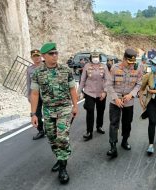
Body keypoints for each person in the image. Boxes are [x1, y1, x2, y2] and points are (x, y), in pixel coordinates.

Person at [30, 42, 78, 184]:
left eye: (56, 53)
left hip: (64, 109)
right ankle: (59, 157)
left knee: (62, 138)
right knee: (52, 138)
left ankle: (63, 167)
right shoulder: (38, 72)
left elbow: (72, 89)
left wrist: (75, 106)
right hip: (48, 110)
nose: (55, 56)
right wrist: (33, 114)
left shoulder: (66, 70)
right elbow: (34, 94)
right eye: (51, 54)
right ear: (44, 56)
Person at [106, 48, 142, 158]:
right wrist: (115, 98)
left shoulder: (138, 68)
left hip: (128, 100)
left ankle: (125, 140)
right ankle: (113, 146)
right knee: (114, 123)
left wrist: (131, 94)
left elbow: (139, 84)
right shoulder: (115, 68)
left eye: (133, 62)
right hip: (115, 100)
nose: (131, 65)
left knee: (127, 123)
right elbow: (109, 84)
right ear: (123, 58)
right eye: (129, 62)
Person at [78, 52, 110, 141]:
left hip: (101, 93)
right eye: (94, 57)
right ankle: (89, 132)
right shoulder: (87, 66)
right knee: (90, 111)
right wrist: (79, 92)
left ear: (99, 58)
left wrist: (105, 92)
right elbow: (83, 79)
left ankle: (99, 126)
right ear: (91, 58)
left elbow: (108, 80)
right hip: (89, 93)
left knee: (101, 110)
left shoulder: (104, 66)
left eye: (97, 57)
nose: (95, 58)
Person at [26, 49, 45, 140]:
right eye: (34, 56)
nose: (37, 58)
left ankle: (53, 129)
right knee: (37, 114)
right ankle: (41, 131)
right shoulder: (29, 69)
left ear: (41, 56)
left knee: (50, 112)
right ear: (31, 58)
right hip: (35, 95)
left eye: (38, 56)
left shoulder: (46, 66)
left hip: (46, 94)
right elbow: (28, 83)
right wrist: (29, 95)